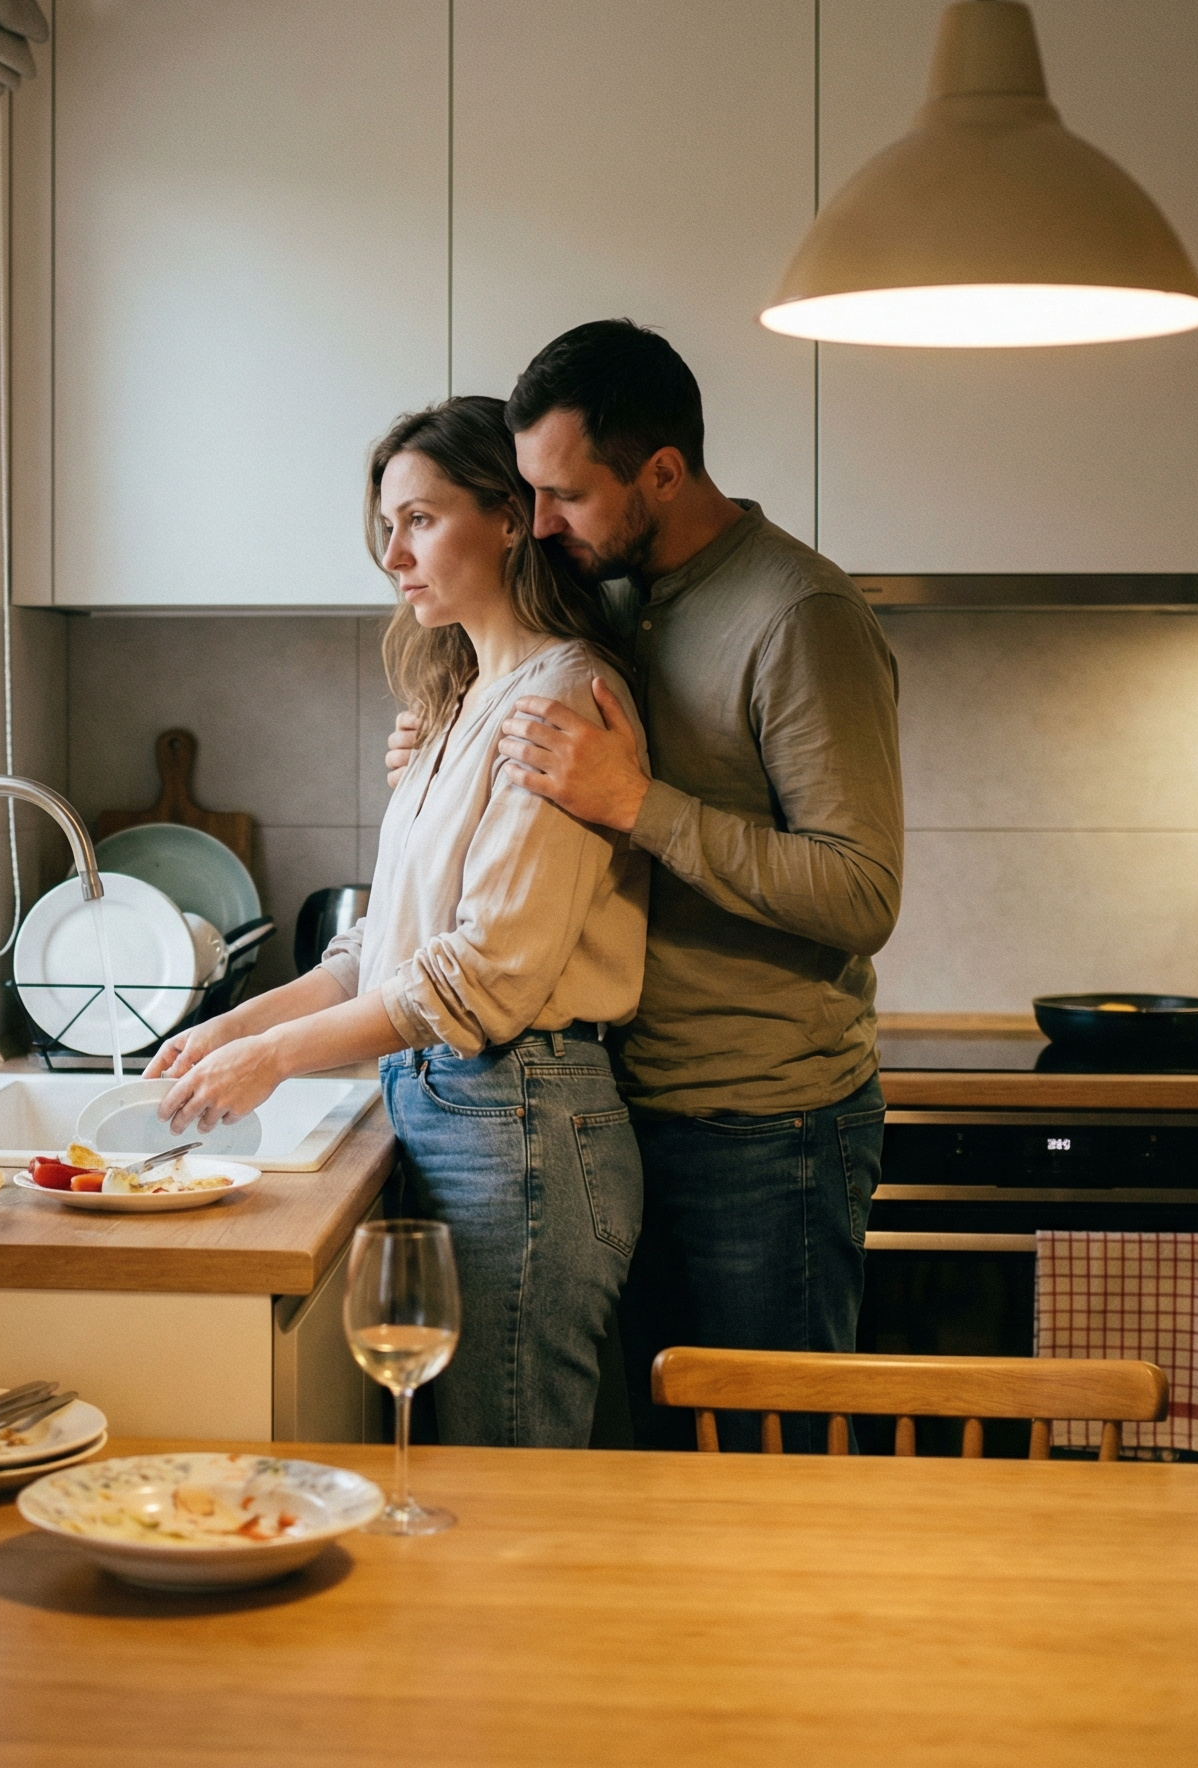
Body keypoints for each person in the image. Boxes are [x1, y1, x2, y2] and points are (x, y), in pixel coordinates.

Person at [387, 321, 903, 1452]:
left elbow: (861, 890)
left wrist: (639, 803)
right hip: (623, 1106)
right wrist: (447, 747)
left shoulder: (798, 616)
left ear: (662, 473)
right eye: (529, 493)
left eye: (566, 495)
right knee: (659, 1497)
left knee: (768, 1483)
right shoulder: (615, 593)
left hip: (765, 1125)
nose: (540, 524)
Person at [147, 394, 650, 1449]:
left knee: (503, 1478)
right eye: (387, 525)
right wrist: (232, 1027)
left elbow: (484, 974)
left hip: (520, 1120)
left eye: (419, 519)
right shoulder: (460, 700)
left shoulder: (562, 700)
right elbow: (375, 951)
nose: (392, 555)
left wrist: (273, 1057)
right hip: (452, 1110)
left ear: (508, 517)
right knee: (458, 1476)